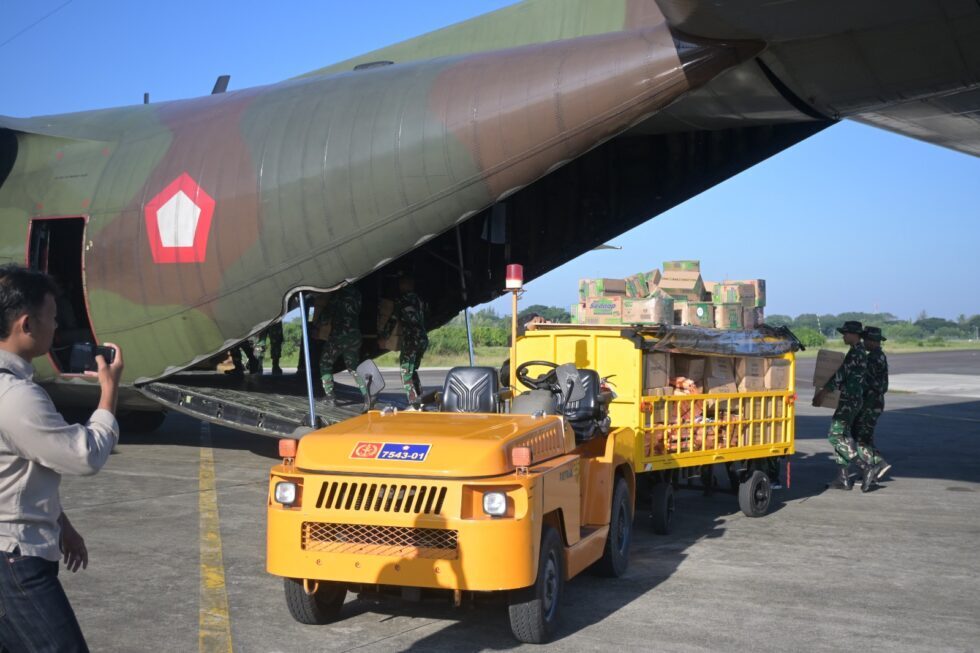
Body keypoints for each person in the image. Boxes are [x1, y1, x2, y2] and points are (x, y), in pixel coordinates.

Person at [0, 264, 124, 652]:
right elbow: (85, 456)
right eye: (52, 317)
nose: (57, 327)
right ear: (26, 324)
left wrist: (61, 523)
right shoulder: (16, 398)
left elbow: (17, 472)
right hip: (14, 561)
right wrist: (109, 392)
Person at [813, 320, 877, 492]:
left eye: (846, 333)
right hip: (853, 400)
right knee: (843, 437)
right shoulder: (859, 351)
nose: (843, 336)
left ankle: (864, 466)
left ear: (854, 335)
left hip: (849, 401)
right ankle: (843, 478)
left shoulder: (856, 353)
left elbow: (840, 375)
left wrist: (822, 394)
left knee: (834, 436)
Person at [316, 285, 369, 411]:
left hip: (340, 335)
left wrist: (317, 323)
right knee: (353, 367)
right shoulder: (357, 294)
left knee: (325, 363)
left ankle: (330, 396)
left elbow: (325, 317)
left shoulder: (338, 295)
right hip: (355, 335)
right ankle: (367, 395)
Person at [382, 275, 428, 402]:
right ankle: (420, 398)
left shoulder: (402, 300)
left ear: (404, 285)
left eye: (401, 284)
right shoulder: (419, 300)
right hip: (422, 339)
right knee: (412, 371)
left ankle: (414, 402)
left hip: (411, 340)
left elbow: (393, 319)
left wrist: (384, 337)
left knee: (405, 373)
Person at [855, 326, 890, 480]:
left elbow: (864, 381)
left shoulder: (873, 358)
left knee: (861, 438)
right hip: (875, 402)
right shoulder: (879, 356)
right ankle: (872, 471)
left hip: (870, 403)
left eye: (866, 340)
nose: (864, 343)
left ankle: (878, 464)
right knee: (866, 437)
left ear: (872, 341)